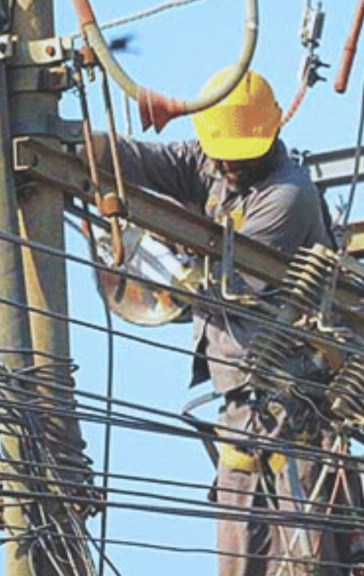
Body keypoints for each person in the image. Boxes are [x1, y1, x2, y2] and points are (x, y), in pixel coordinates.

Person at [86, 68, 339, 576]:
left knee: (307, 557)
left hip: (296, 399)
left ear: (266, 139)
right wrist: (70, 141)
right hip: (241, 402)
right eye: (218, 152)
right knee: (239, 550)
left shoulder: (287, 196)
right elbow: (136, 160)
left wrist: (160, 248)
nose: (224, 164)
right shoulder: (211, 160)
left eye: (236, 156)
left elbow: (227, 284)